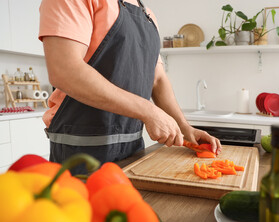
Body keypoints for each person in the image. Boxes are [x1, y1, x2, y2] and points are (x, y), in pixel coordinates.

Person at [39, 0, 221, 174]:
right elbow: (64, 69)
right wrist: (148, 111)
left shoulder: (147, 15)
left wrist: (184, 128)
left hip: (133, 152)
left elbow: (157, 79)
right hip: (80, 152)